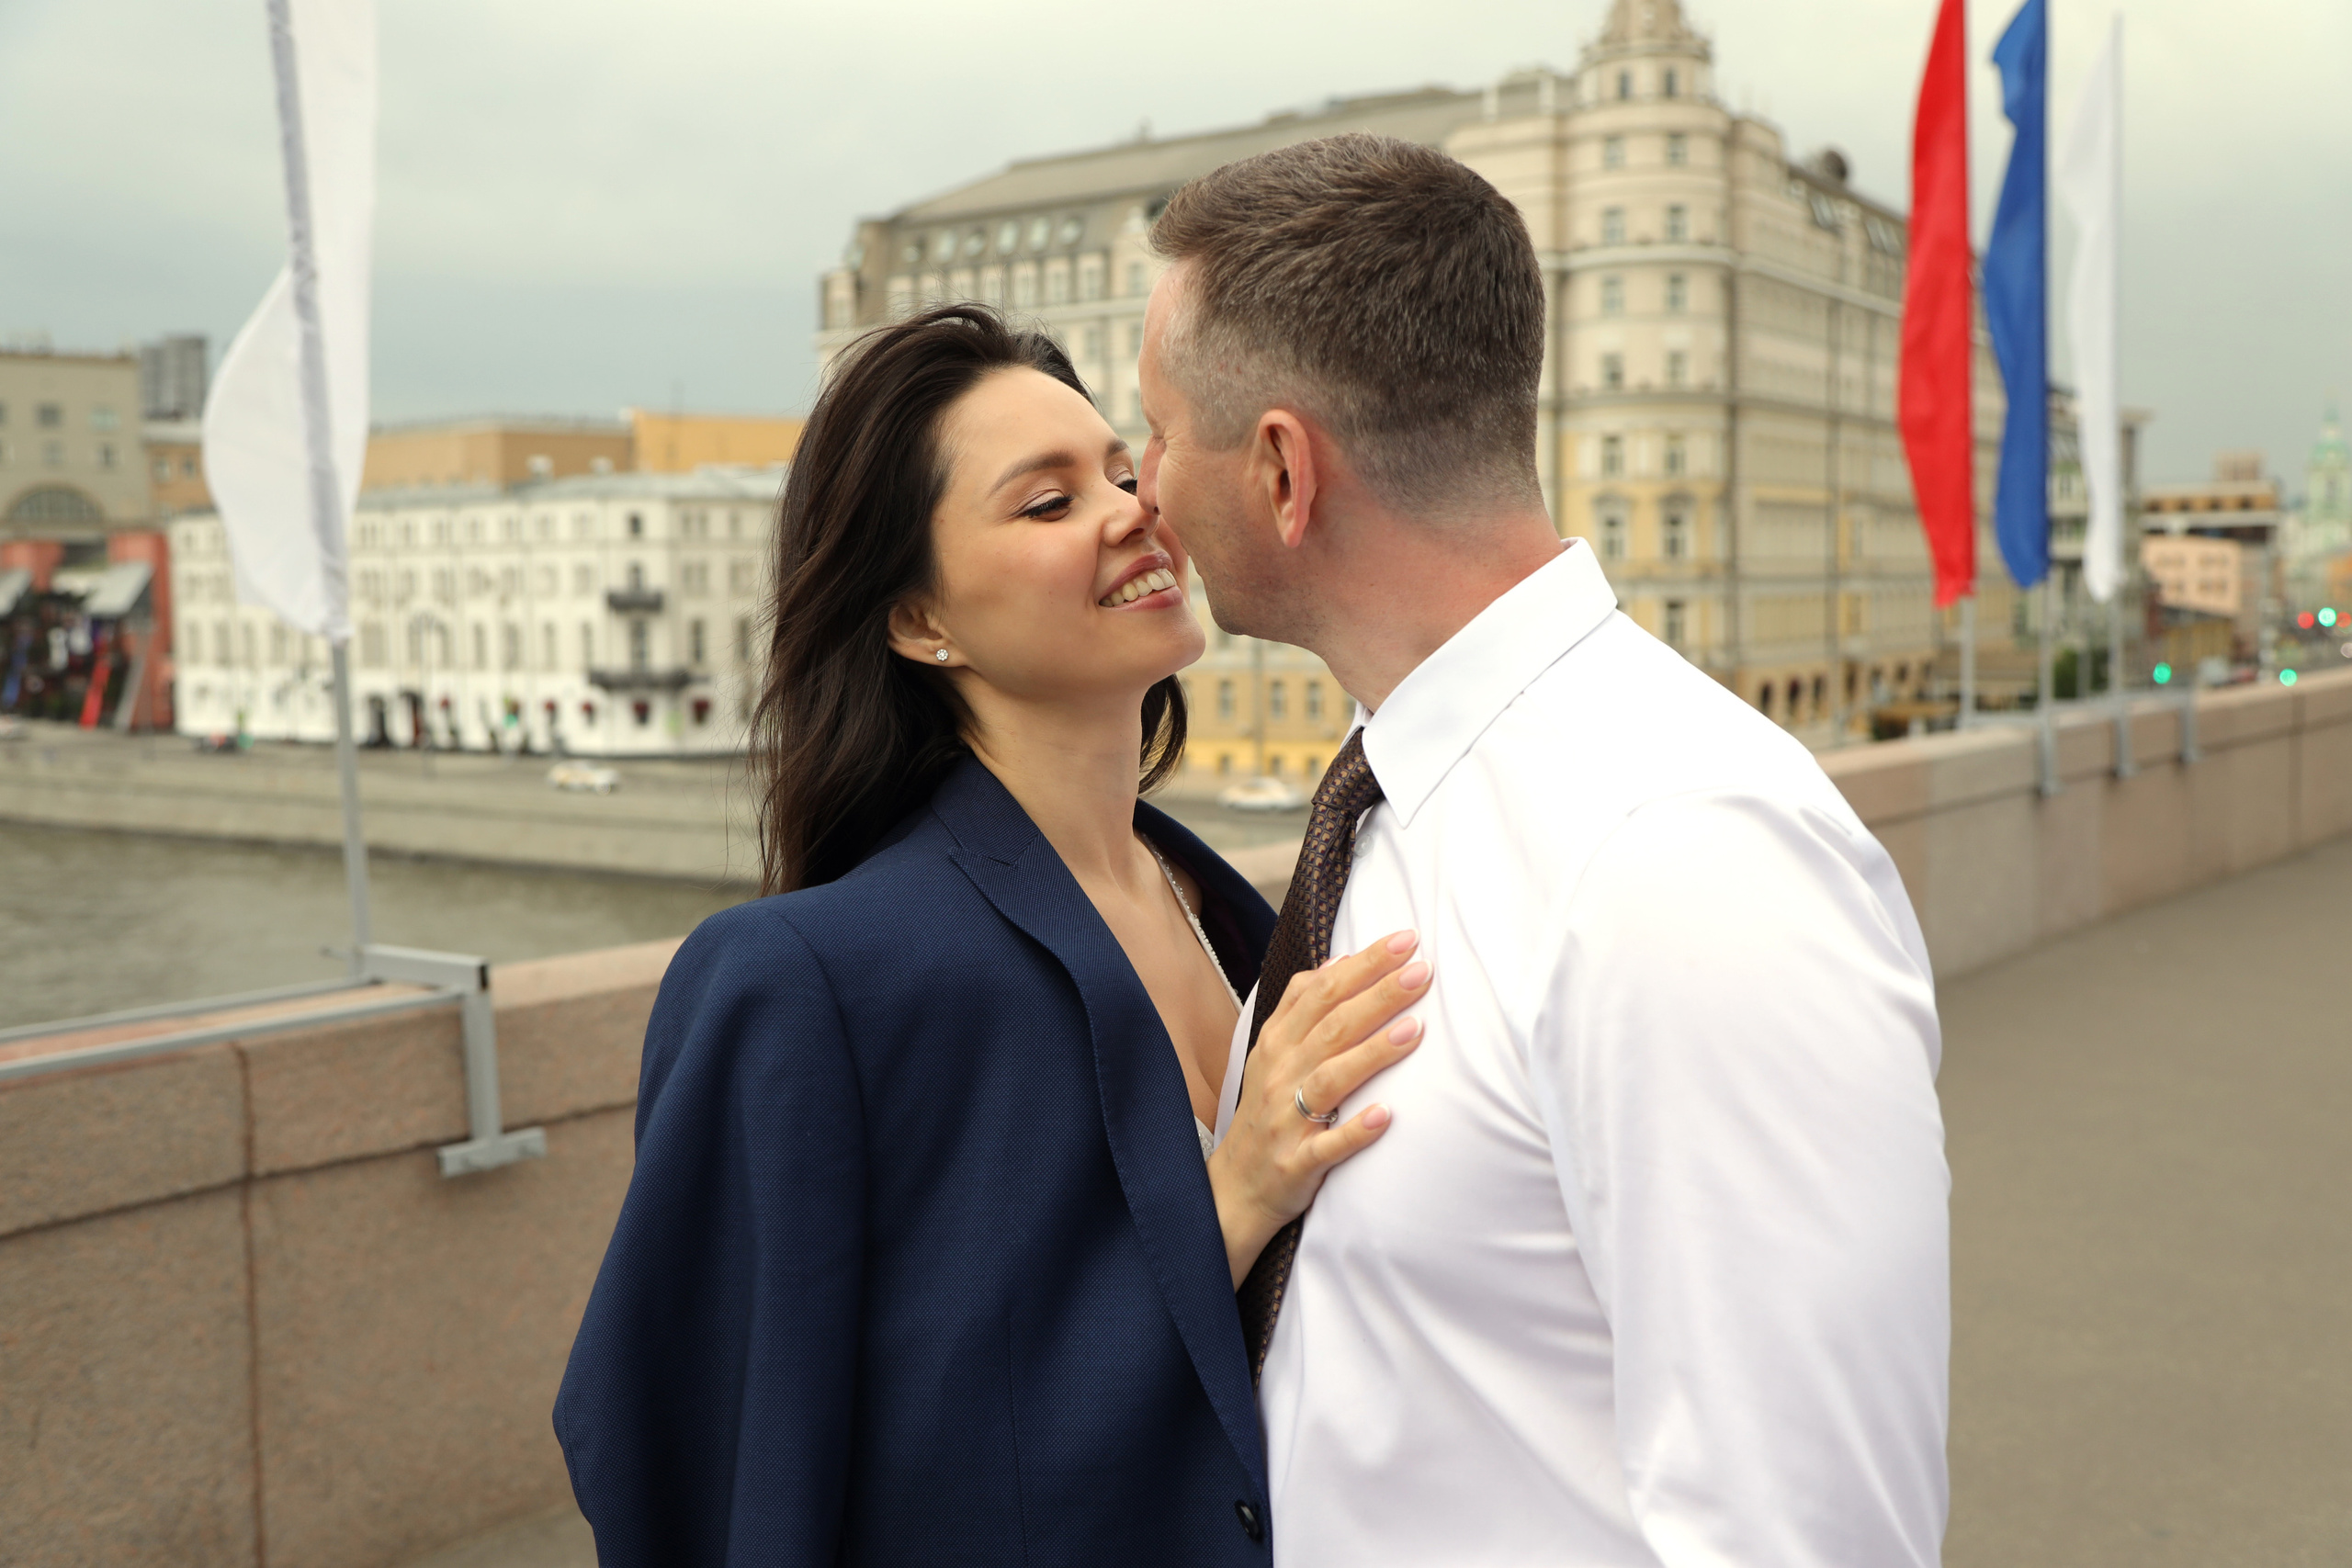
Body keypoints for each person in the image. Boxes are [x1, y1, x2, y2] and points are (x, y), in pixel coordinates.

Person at [1140, 133, 1951, 1565]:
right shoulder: (1406, 802)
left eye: (1158, 431)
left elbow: (1805, 1529)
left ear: (1281, 470)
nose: (1143, 490)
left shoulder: (1680, 856)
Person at [554, 305, 1432, 1565]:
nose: (1133, 510)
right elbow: (714, 1476)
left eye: (1125, 473)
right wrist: (1226, 1204)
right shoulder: (802, 985)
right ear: (920, 623)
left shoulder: (1246, 917)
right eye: (1047, 503)